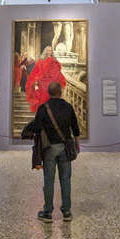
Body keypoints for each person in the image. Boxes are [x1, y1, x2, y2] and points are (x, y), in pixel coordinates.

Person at [31, 81, 80, 224]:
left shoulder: (42, 109)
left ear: (49, 93)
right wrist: (77, 145)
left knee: (49, 180)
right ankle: (66, 211)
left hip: (49, 149)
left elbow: (36, 128)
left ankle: (47, 213)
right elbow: (75, 128)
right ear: (61, 92)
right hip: (65, 148)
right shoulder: (68, 107)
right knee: (65, 180)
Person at [25, 45, 66, 112]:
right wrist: (36, 82)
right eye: (48, 50)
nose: (50, 52)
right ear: (46, 51)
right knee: (43, 100)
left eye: (51, 50)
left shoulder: (54, 61)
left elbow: (57, 72)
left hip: (51, 83)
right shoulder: (41, 61)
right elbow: (36, 72)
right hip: (43, 84)